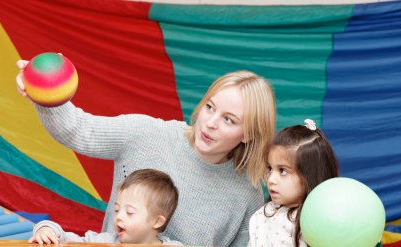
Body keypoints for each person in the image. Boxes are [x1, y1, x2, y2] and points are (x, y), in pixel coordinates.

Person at [16, 59, 276, 246]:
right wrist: (48, 95)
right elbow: (79, 131)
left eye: (229, 120)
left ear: (249, 133)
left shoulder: (247, 194)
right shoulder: (147, 134)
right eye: (210, 107)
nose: (210, 122)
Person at [248, 119, 339, 247]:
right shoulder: (261, 215)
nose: (271, 179)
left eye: (283, 171)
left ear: (310, 175)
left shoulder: (319, 222)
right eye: (270, 169)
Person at [29, 169, 182, 245]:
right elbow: (67, 239)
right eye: (117, 209)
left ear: (157, 221)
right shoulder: (105, 241)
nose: (119, 216)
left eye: (129, 212)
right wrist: (46, 229)